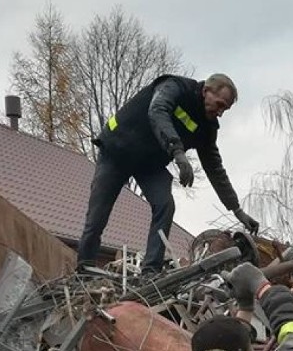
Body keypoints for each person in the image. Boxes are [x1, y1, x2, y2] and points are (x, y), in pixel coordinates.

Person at [76, 73, 259, 277]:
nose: (220, 112)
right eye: (220, 104)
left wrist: (236, 210)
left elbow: (215, 168)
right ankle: (85, 266)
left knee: (165, 205)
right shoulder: (175, 87)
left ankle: (150, 271)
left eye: (225, 109)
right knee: (98, 211)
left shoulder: (207, 127)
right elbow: (158, 109)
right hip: (118, 149)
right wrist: (178, 152)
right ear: (206, 91)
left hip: (148, 164)